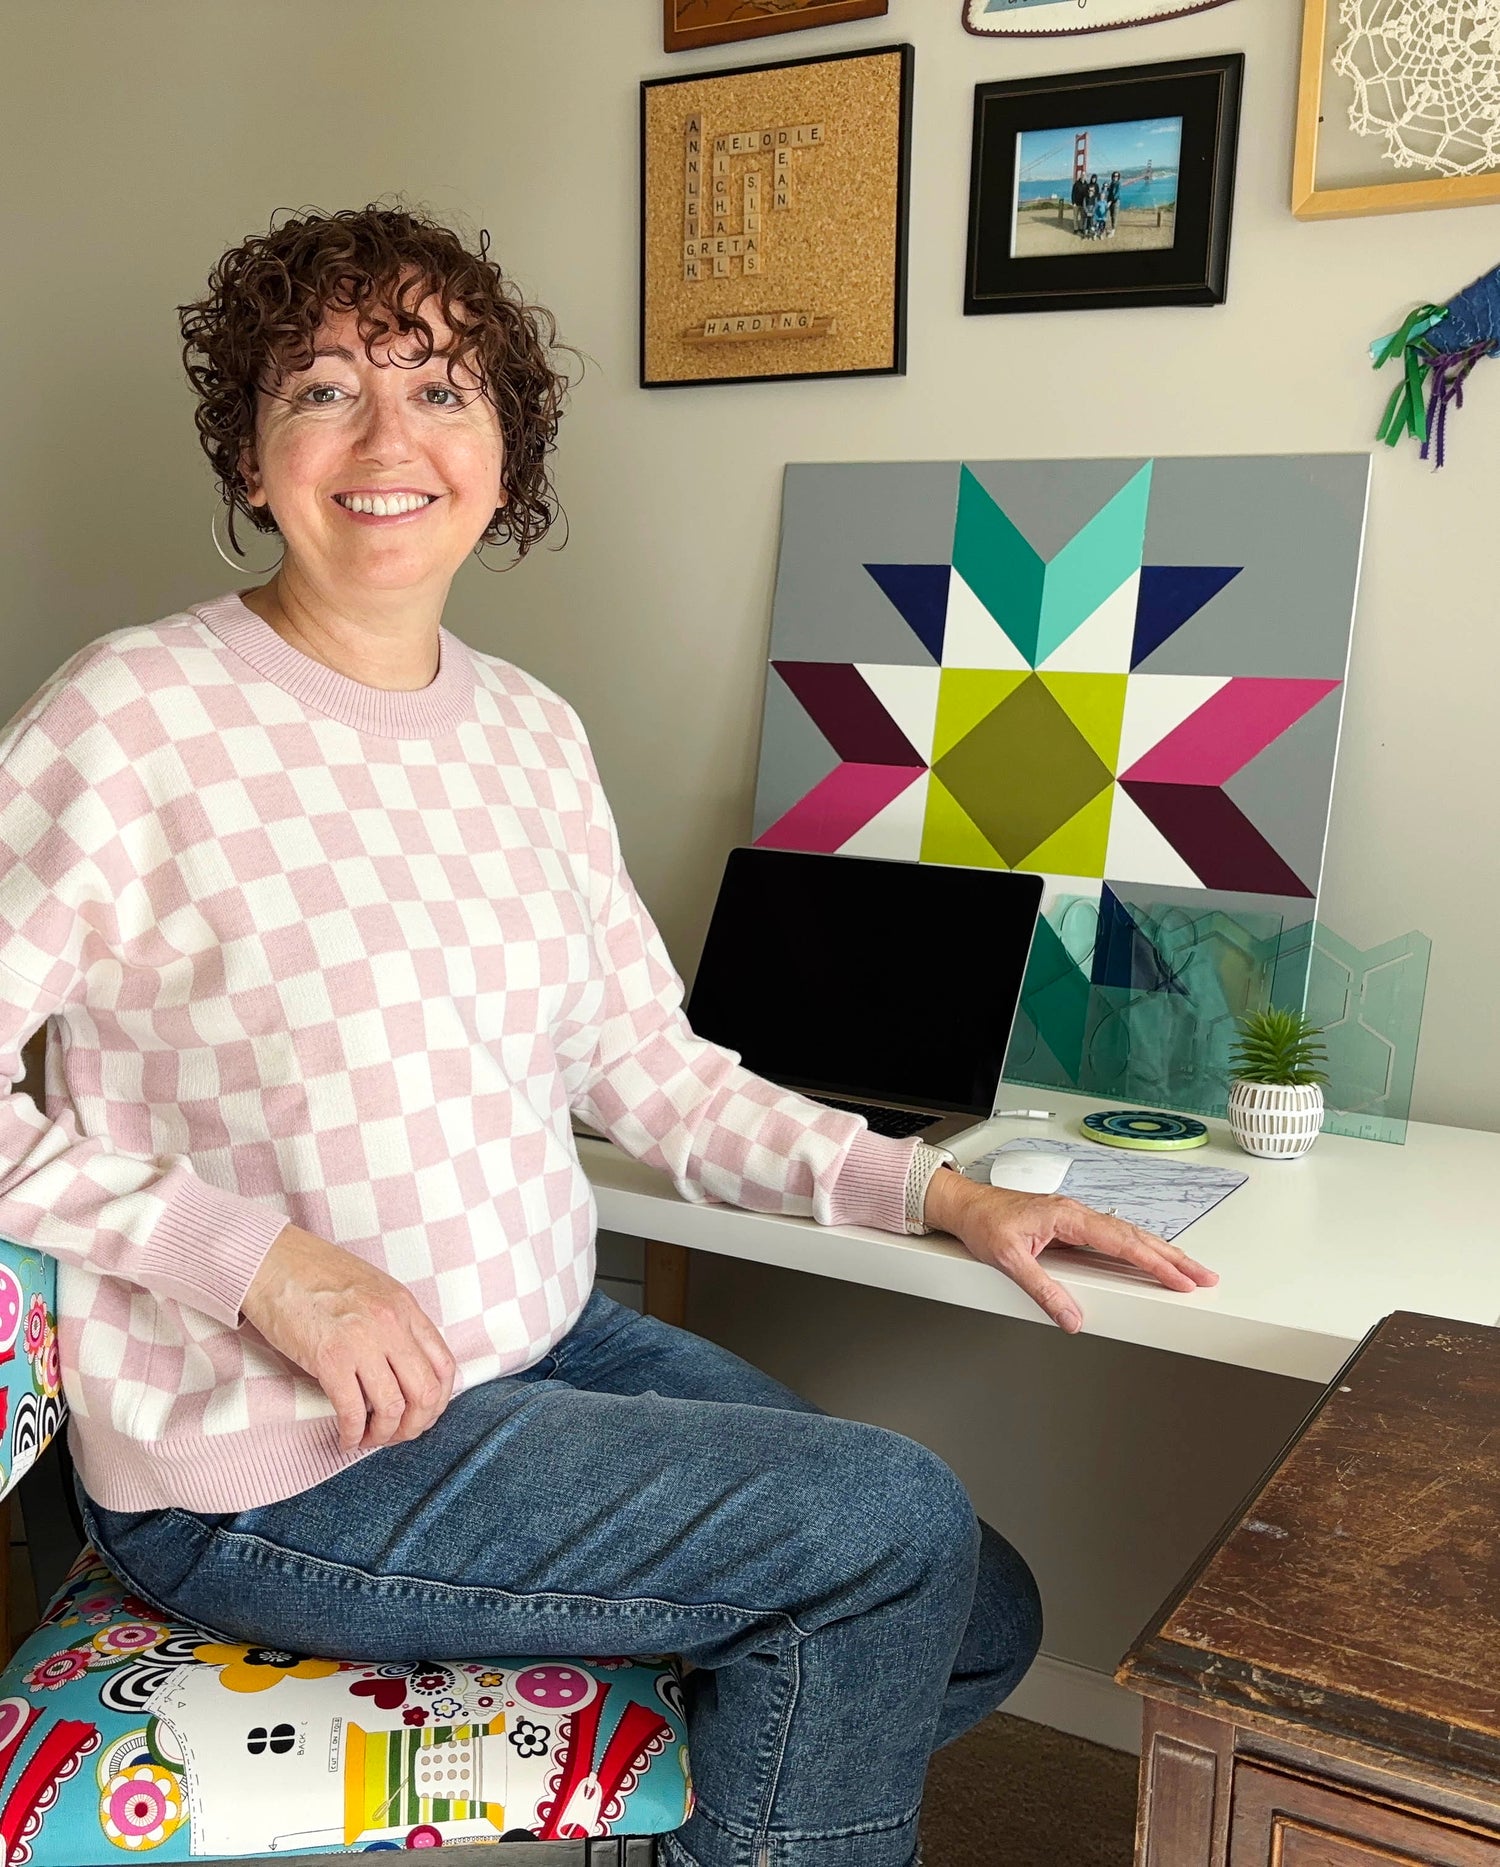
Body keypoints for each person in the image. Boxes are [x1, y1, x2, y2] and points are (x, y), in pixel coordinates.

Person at [0, 204, 1216, 1867]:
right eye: (321, 388)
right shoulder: (128, 716)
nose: (385, 440)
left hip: (531, 1343)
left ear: (508, 448)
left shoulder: (528, 732)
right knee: (882, 1533)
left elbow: (648, 1064)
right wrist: (251, 1254)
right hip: (274, 1448)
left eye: (439, 389)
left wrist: (942, 1196)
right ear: (250, 449)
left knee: (979, 1605)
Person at [1070, 170, 1088, 235]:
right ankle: (1076, 229)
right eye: (1082, 175)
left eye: (1084, 175)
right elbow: (1073, 194)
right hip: (1076, 204)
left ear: (1086, 176)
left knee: (1082, 217)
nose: (1083, 176)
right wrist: (1073, 202)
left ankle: (1081, 228)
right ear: (1080, 175)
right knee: (1075, 217)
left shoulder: (1087, 184)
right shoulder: (1076, 184)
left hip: (1083, 204)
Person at [1108, 170, 1122, 235]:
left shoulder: (1118, 183)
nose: (1115, 177)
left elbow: (1117, 193)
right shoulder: (1112, 183)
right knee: (1111, 215)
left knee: (1114, 215)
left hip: (1115, 201)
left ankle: (1113, 230)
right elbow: (1110, 193)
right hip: (1111, 201)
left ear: (1118, 177)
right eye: (1114, 176)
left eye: (1116, 176)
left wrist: (1111, 201)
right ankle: (1112, 228)